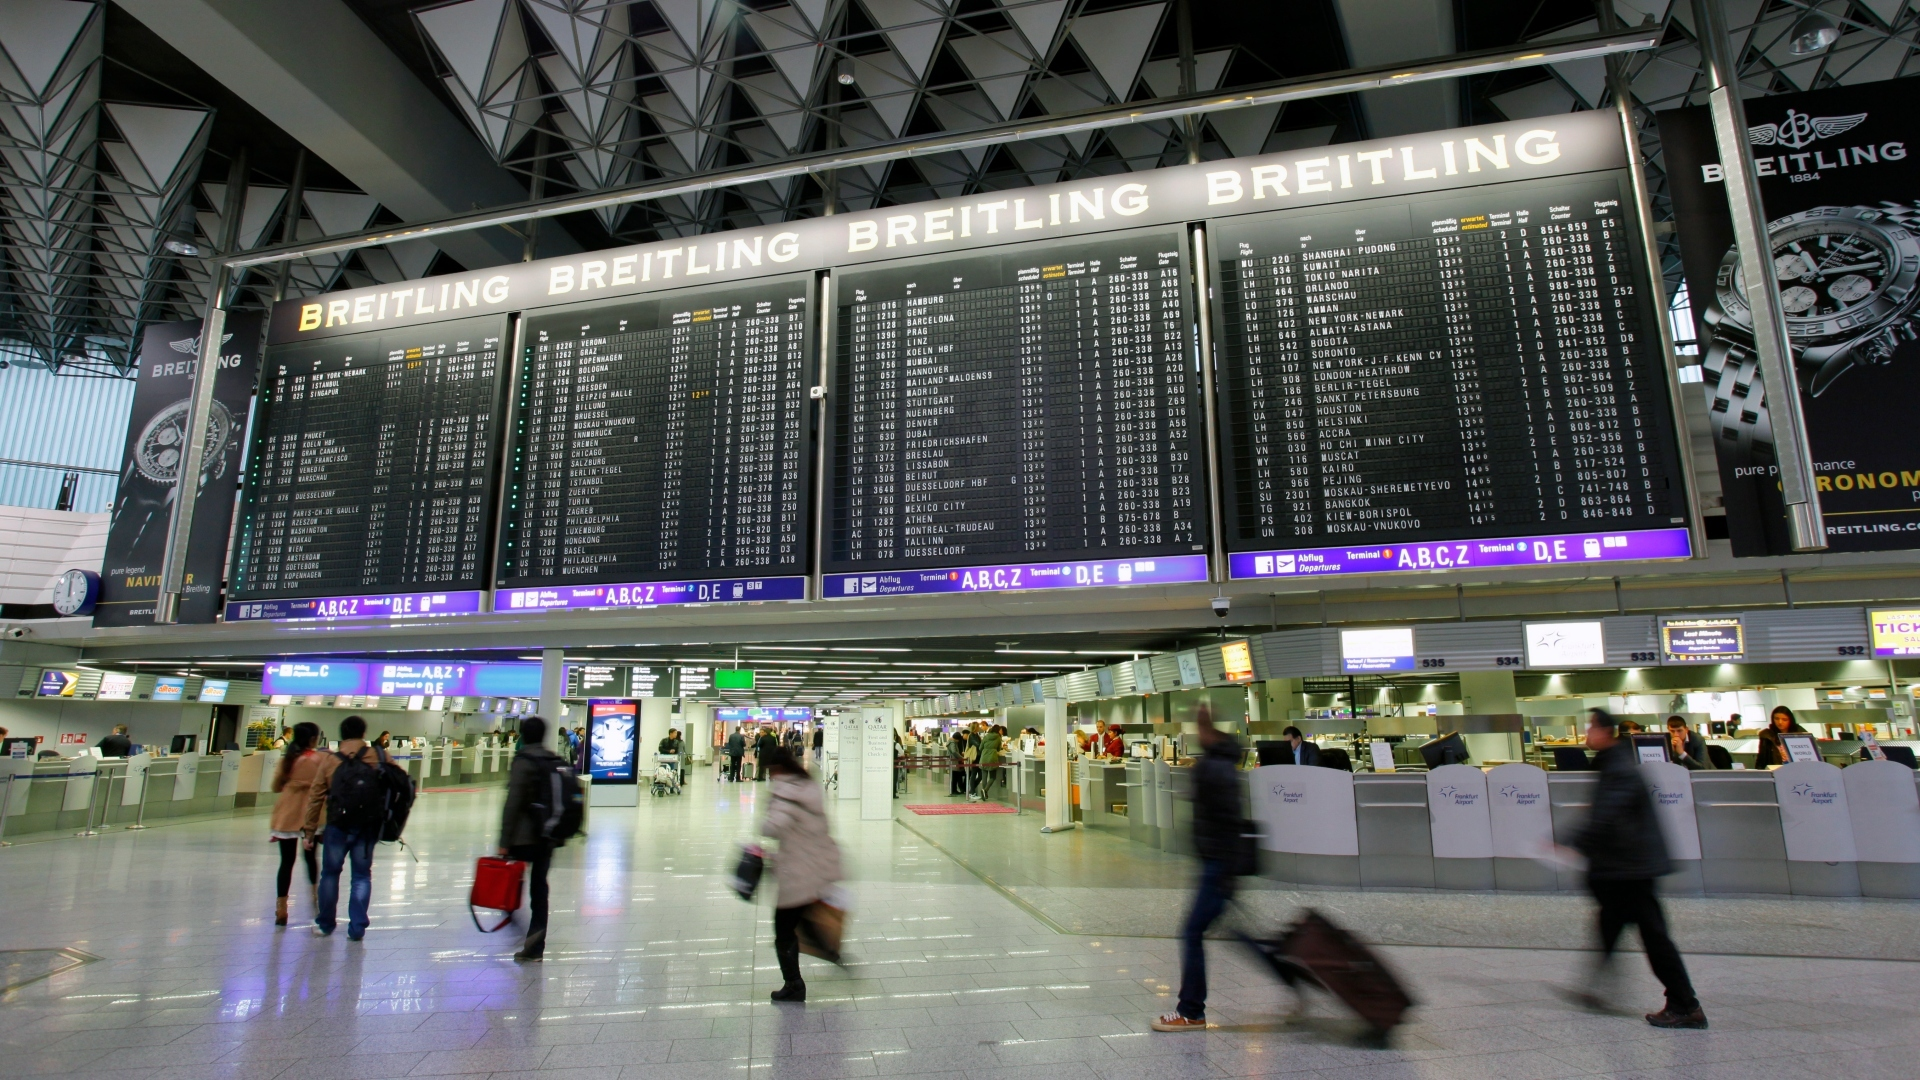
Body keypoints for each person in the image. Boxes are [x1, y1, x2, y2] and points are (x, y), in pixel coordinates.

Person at [1565, 709, 1706, 1029]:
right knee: (1610, 926)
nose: (1587, 733)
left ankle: (1685, 1004)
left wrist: (1569, 840)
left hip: (1631, 868)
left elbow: (1607, 816)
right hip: (1624, 866)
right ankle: (1594, 988)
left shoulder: (1618, 767)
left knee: (1654, 938)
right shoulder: (1613, 763)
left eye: (1590, 727)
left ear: (1604, 731)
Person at [1154, 707, 1250, 1032]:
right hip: (1219, 865)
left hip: (1218, 867)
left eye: (1200, 729)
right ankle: (1290, 978)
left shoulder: (1213, 769)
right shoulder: (1221, 766)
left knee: (1193, 932)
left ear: (1208, 734)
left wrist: (1225, 872)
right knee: (1237, 933)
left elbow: (1226, 821)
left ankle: (1191, 1011)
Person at [760, 747, 843, 1003]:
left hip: (797, 869)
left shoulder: (785, 792)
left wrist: (765, 819)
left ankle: (794, 984)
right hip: (818, 863)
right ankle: (829, 949)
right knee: (804, 913)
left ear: (776, 768)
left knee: (783, 927)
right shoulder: (809, 786)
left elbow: (773, 827)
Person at [303, 715, 385, 941]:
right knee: (361, 876)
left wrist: (309, 831)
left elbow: (316, 796)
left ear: (341, 734)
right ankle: (357, 927)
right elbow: (398, 785)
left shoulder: (330, 760)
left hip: (337, 825)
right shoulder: (377, 756)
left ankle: (326, 923)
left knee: (330, 873)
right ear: (364, 733)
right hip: (367, 826)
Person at [499, 716, 567, 962]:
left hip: (523, 837)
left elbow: (513, 802)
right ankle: (536, 946)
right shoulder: (552, 760)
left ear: (523, 735)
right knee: (539, 890)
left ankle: (513, 925)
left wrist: (504, 839)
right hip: (547, 837)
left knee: (511, 883)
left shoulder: (523, 761)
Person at [268, 722, 323, 926]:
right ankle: (315, 898)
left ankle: (281, 907)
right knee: (311, 858)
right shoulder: (319, 758)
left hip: (288, 814)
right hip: (312, 813)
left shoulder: (287, 760)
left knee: (286, 862)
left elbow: (275, 787)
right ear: (312, 739)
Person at [972, 724, 1004, 802]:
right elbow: (999, 749)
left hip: (984, 757)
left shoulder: (986, 737)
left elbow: (980, 748)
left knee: (984, 776)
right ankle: (985, 790)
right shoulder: (998, 738)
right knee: (993, 776)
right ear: (998, 730)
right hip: (993, 757)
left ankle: (984, 792)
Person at [948, 727, 970, 795]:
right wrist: (961, 757)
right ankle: (953, 790)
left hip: (954, 761)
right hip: (954, 761)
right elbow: (954, 752)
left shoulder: (952, 742)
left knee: (956, 777)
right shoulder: (952, 743)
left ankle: (954, 790)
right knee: (955, 777)